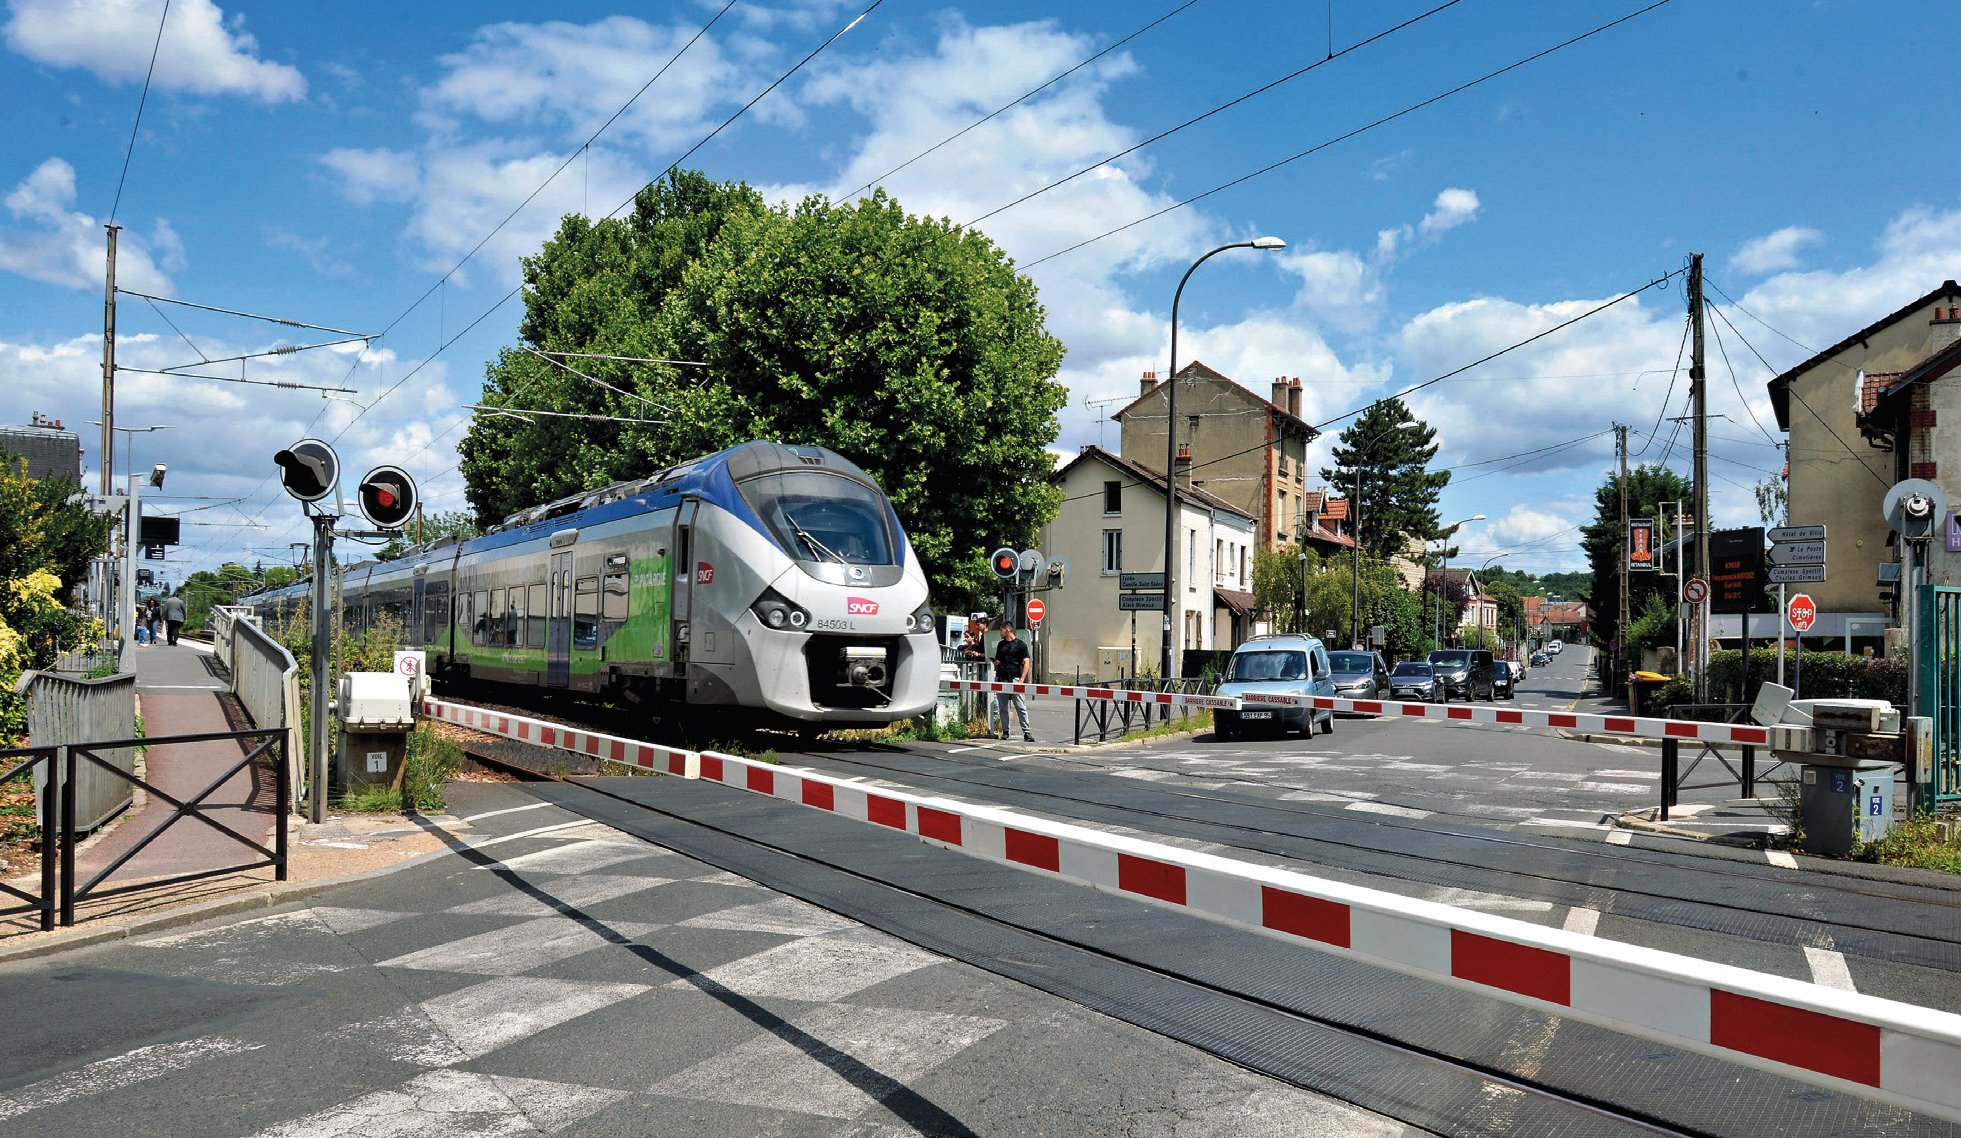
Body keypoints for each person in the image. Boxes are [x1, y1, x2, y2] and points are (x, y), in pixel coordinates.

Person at [992, 620, 1033, 742]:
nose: (1000, 632)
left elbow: (1027, 662)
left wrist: (1021, 680)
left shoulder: (1021, 645)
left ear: (1007, 630)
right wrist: (996, 663)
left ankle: (1027, 732)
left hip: (1015, 678)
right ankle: (1005, 731)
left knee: (1020, 706)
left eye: (1001, 630)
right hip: (1002, 678)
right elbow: (998, 660)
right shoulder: (1001, 645)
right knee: (1003, 707)